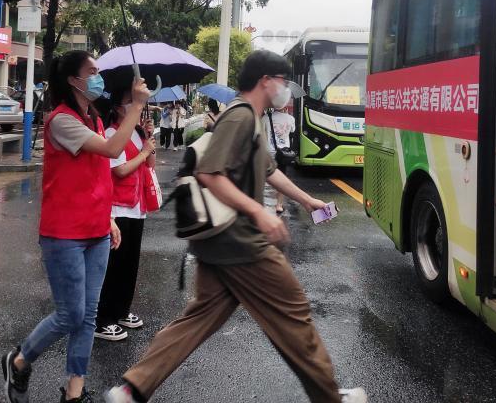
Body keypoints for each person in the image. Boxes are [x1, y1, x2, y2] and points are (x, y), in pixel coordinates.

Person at [104, 50, 367, 403]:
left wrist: (308, 200)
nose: (285, 90)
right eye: (283, 82)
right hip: (241, 240)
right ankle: (330, 397)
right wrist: (258, 213)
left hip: (219, 243)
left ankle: (131, 390)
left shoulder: (252, 118)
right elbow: (209, 173)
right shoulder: (241, 117)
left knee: (197, 319)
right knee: (294, 313)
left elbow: (269, 171)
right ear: (266, 81)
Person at [1, 50, 150, 403]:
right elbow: (114, 149)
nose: (98, 76)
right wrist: (137, 108)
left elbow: (97, 177)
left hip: (96, 231)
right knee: (71, 314)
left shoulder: (94, 120)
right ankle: (20, 360)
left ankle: (74, 391)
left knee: (89, 315)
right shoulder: (60, 121)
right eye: (92, 70)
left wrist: (109, 218)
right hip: (64, 234)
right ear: (73, 80)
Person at [95, 87, 158, 342]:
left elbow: (150, 164)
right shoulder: (112, 134)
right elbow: (119, 170)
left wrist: (149, 143)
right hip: (117, 208)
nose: (136, 106)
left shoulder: (137, 133)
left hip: (136, 206)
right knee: (114, 266)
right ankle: (103, 318)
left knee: (130, 265)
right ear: (118, 108)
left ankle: (122, 310)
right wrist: (143, 153)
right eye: (129, 101)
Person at [265, 100, 296, 214]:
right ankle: (279, 205)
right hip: (283, 153)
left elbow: (263, 134)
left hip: (269, 152)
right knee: (282, 178)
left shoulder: (266, 118)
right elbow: (293, 130)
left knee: (264, 176)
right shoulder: (290, 119)